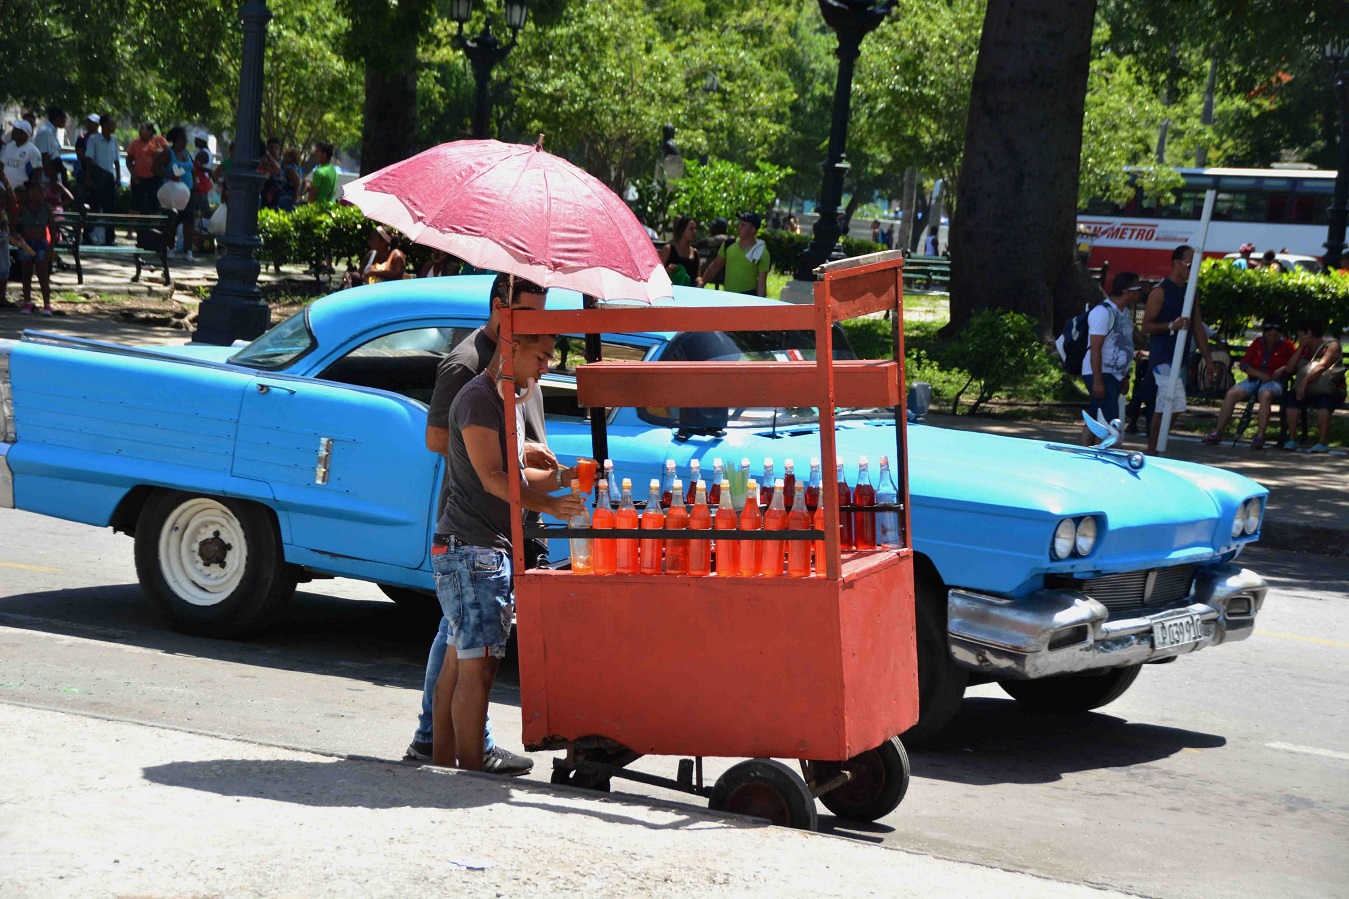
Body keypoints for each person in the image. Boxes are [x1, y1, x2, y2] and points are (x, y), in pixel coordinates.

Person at [408, 274, 558, 773]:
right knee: (472, 654)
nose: (548, 358)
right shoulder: (472, 372)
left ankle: (443, 753)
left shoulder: (520, 376)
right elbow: (454, 449)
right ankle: (450, 753)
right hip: (474, 534)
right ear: (502, 310)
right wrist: (525, 477)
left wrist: (535, 461)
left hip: (493, 533)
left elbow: (510, 457)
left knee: (461, 647)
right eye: (527, 314)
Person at [430, 325, 585, 771]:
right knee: (477, 669)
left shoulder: (507, 401)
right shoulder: (480, 398)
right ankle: (470, 773)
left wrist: (564, 479)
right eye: (541, 356)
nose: (547, 365)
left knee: (460, 664)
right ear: (513, 349)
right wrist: (551, 504)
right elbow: (492, 478)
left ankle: (443, 767)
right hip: (473, 550)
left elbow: (513, 474)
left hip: (473, 550)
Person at [1141, 245, 1217, 455]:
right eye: (1190, 265)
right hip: (1163, 357)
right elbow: (1146, 325)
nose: (1193, 271)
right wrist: (1170, 326)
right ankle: (1152, 448)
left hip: (1180, 356)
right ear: (1176, 264)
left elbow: (1197, 326)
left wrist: (1208, 360)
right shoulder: (1160, 291)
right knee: (1171, 400)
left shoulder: (1191, 292)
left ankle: (1155, 445)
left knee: (1171, 404)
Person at [1202, 319, 1296, 449]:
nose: (1272, 338)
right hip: (1254, 379)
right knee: (1231, 394)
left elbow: (1293, 365)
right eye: (1269, 335)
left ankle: (1260, 436)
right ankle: (1217, 432)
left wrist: (1283, 368)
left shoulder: (1288, 346)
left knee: (1265, 395)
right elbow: (1244, 364)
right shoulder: (1258, 343)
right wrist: (1259, 374)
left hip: (1274, 382)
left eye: (1275, 335)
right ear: (1264, 334)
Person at [1080, 272, 1144, 446]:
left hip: (1114, 375)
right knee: (1113, 424)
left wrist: (1124, 377)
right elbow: (1095, 349)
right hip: (1100, 372)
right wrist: (1098, 381)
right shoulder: (1102, 313)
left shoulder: (1124, 313)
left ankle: (1085, 450)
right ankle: (1111, 453)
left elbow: (1124, 345)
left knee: (1093, 417)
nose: (1140, 292)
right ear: (1127, 292)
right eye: (1138, 288)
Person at [1282, 319, 1344, 453]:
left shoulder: (1332, 345)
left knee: (1323, 402)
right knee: (1291, 399)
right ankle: (1292, 440)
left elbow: (1323, 365)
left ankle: (1323, 442)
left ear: (1308, 333)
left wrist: (1304, 383)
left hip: (1331, 388)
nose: (1298, 338)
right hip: (1308, 390)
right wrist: (1300, 347)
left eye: (1300, 335)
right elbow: (1289, 368)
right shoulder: (1304, 349)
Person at [699, 212, 770, 297]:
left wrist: (761, 305)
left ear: (753, 230)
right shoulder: (728, 245)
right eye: (739, 224)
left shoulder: (761, 252)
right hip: (728, 295)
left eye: (743, 225)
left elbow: (761, 283)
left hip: (748, 296)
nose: (739, 227)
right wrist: (702, 282)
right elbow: (715, 266)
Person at [155, 127, 197, 262]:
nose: (186, 142)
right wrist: (169, 176)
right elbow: (154, 168)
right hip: (173, 193)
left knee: (189, 222)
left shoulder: (186, 152)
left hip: (188, 192)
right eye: (184, 139)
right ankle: (170, 249)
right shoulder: (168, 153)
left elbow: (192, 168)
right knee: (172, 222)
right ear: (177, 140)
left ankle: (188, 251)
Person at [16, 183, 54, 315]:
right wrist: (18, 237)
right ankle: (27, 302)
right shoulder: (23, 208)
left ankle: (47, 305)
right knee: (26, 274)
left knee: (42, 274)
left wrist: (51, 247)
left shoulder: (46, 208)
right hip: (26, 244)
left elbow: (53, 229)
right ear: (32, 192)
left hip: (41, 244)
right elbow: (15, 224)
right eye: (40, 191)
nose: (43, 194)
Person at [84, 116, 121, 243]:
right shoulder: (94, 139)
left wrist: (118, 176)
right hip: (97, 175)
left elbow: (116, 160)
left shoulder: (114, 140)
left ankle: (110, 237)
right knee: (93, 207)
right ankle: (87, 236)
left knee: (109, 208)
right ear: (104, 125)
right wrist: (88, 177)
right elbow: (89, 158)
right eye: (112, 123)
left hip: (109, 176)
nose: (114, 126)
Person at [126, 123, 168, 216]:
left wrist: (161, 154)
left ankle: (154, 228)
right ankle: (130, 228)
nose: (140, 131)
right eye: (139, 129)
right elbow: (128, 161)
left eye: (143, 129)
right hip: (138, 178)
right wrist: (133, 176)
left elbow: (169, 155)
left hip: (155, 178)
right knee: (135, 204)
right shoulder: (135, 142)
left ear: (150, 131)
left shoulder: (159, 140)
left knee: (154, 204)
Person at [660, 215, 701, 287]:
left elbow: (698, 276)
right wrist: (667, 271)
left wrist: (699, 281)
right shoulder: (668, 250)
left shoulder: (695, 253)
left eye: (695, 228)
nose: (695, 231)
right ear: (682, 230)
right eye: (691, 229)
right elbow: (656, 275)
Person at [2, 120, 42, 188]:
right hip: (4, 188)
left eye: (15, 130)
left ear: (24, 134)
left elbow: (37, 173)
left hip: (21, 192)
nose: (12, 132)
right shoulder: (8, 146)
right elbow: (2, 164)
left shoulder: (33, 150)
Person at [32, 108, 65, 172]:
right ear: (57, 118)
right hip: (47, 176)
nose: (65, 121)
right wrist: (52, 177)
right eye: (64, 119)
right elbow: (43, 155)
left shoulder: (52, 131)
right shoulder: (46, 131)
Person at [307, 141, 338, 205]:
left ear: (324, 155)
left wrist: (308, 208)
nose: (315, 154)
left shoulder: (319, 172)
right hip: (330, 206)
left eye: (317, 152)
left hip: (318, 207)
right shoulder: (333, 171)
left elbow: (313, 194)